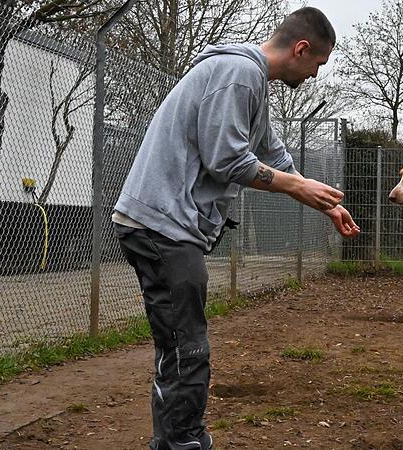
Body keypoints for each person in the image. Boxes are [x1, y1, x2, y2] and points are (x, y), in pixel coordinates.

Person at [111, 7, 358, 450]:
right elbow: (226, 159)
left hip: (167, 225)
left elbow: (273, 154)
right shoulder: (239, 73)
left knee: (181, 345)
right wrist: (296, 190)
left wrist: (324, 204)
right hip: (163, 225)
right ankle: (182, 443)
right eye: (317, 65)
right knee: (188, 349)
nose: (315, 75)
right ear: (301, 49)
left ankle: (174, 441)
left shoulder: (250, 81)